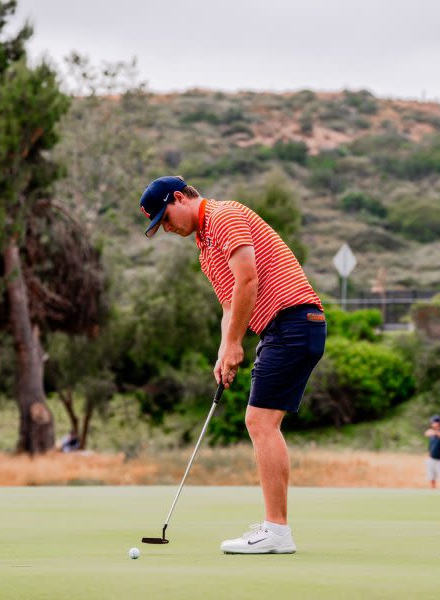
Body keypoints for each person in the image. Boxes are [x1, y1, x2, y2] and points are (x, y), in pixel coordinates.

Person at [138, 176, 326, 555]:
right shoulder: (205, 249)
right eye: (160, 225)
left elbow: (248, 279)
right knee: (259, 421)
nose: (168, 228)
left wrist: (237, 342)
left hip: (293, 320)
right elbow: (229, 304)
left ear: (179, 198)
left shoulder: (224, 215)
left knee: (259, 421)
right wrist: (225, 349)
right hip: (282, 329)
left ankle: (277, 531)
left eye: (166, 218)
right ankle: (276, 527)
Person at [423, 415, 440, 488]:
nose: (432, 424)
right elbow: (426, 433)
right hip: (431, 459)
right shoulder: (432, 433)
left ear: (439, 423)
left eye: (434, 422)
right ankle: (433, 492)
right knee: (432, 478)